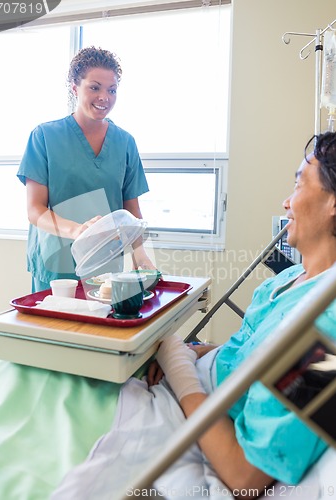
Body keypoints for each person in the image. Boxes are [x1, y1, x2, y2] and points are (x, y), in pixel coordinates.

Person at [51, 131, 336, 499]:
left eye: (299, 183)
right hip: (190, 379)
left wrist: (182, 373)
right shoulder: (287, 281)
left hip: (187, 406)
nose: (286, 201)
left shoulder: (323, 328)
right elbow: (254, 354)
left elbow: (244, 476)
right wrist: (196, 351)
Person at [17, 46, 155, 292]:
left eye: (112, 90)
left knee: (103, 327)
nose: (104, 97)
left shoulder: (125, 142)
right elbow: (34, 210)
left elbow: (131, 208)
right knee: (55, 329)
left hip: (105, 261)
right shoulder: (44, 137)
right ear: (74, 87)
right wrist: (77, 230)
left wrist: (139, 252)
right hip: (55, 262)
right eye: (94, 87)